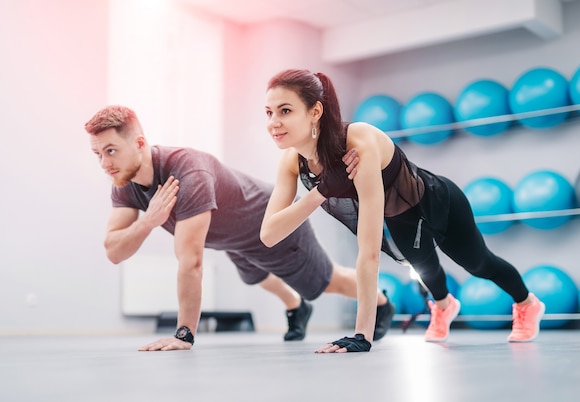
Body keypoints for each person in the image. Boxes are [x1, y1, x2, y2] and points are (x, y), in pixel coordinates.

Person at [260, 69, 546, 353]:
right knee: (427, 271)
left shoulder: (357, 144)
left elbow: (369, 251)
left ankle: (527, 304)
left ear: (315, 111)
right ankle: (445, 307)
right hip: (400, 217)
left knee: (479, 264)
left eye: (285, 111)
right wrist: (321, 191)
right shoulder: (291, 161)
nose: (274, 123)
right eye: (269, 113)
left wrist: (362, 336)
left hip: (438, 202)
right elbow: (270, 235)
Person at [84, 105, 396, 351]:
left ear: (139, 143)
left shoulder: (187, 172)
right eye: (97, 153)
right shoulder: (124, 179)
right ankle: (296, 308)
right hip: (232, 238)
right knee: (255, 277)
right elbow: (114, 251)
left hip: (268, 223)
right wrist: (149, 221)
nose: (104, 163)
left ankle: (381, 303)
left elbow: (191, 261)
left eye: (111, 150)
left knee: (326, 281)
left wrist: (184, 334)